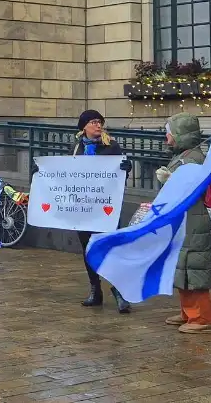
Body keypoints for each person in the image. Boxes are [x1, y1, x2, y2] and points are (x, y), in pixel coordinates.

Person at [69, 110, 132, 314]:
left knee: (111, 249)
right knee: (88, 250)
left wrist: (126, 167)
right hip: (83, 207)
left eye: (100, 122)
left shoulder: (111, 146)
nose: (98, 125)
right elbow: (66, 172)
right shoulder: (77, 147)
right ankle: (95, 290)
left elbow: (118, 174)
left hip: (105, 207)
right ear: (84, 126)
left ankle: (120, 291)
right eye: (94, 122)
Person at [160, 112, 211, 334]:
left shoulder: (192, 158)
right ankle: (188, 312)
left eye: (169, 134)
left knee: (195, 267)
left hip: (193, 219)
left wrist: (170, 180)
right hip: (184, 219)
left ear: (180, 135)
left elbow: (190, 187)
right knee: (183, 267)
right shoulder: (185, 155)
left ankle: (202, 318)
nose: (167, 138)